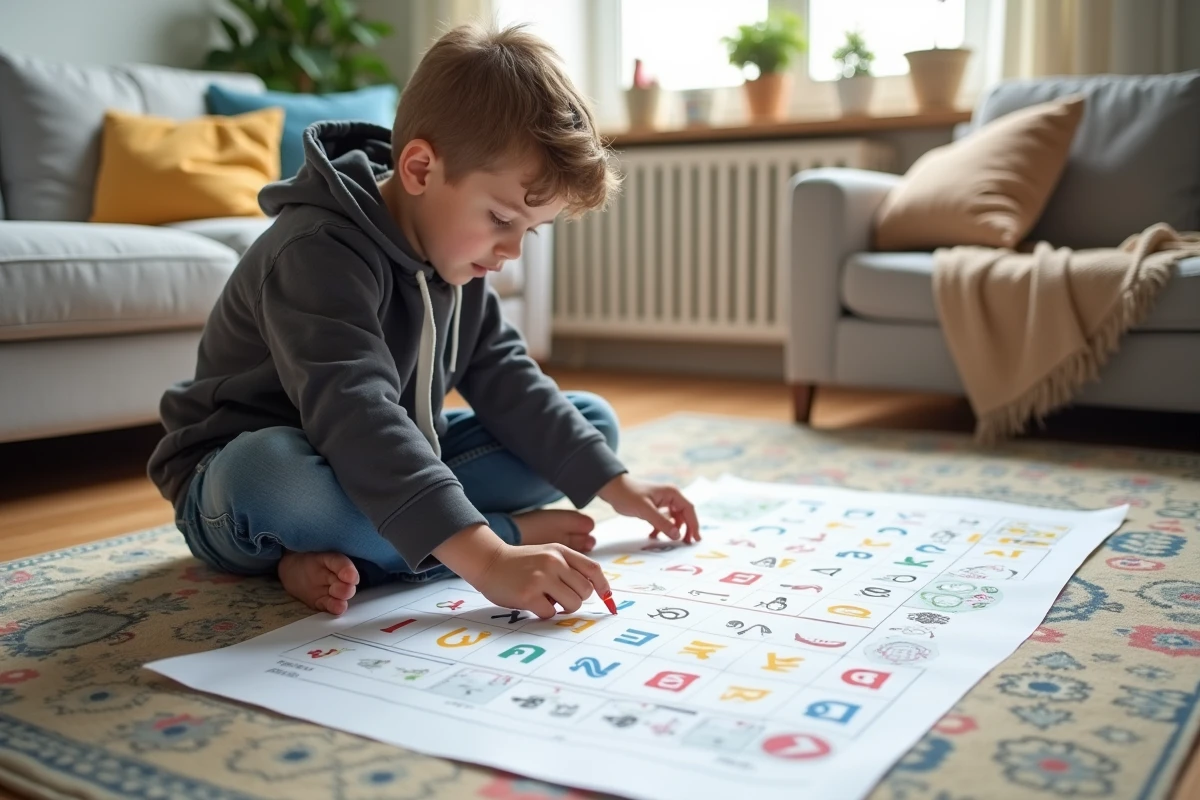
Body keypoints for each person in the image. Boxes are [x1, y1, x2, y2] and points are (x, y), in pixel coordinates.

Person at [147, 23, 700, 619]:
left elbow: (506, 377)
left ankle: (354, 550)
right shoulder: (315, 249)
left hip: (380, 465)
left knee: (593, 424)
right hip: (241, 485)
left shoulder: (453, 255)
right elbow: (357, 414)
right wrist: (493, 556)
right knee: (269, 475)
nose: (512, 251)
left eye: (530, 231)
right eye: (500, 219)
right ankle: (485, 534)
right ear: (418, 169)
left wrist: (619, 486)